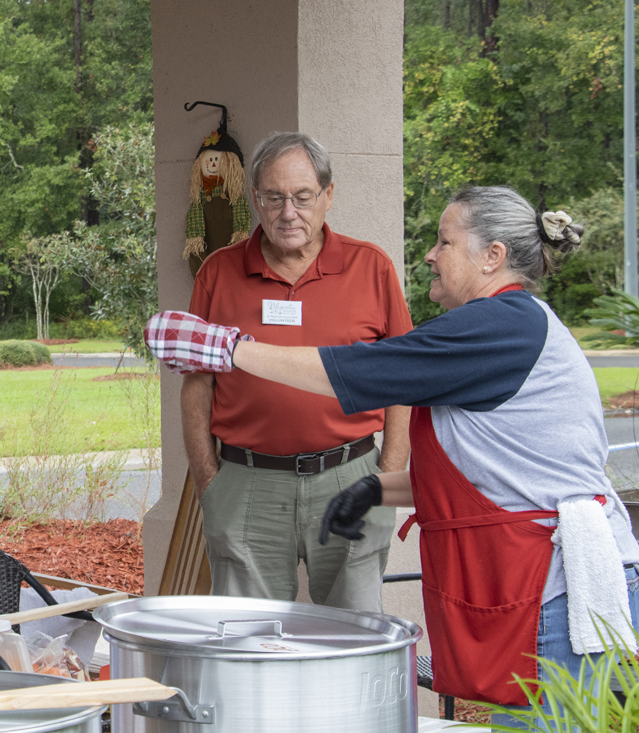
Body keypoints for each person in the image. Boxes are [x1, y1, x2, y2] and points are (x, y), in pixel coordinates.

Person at [147, 185, 639, 721]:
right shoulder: (509, 325)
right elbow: (493, 474)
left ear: (492, 256)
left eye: (445, 242)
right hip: (546, 583)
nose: (430, 254)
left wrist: (229, 348)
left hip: (559, 594)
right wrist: (376, 487)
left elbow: (362, 371)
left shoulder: (501, 327)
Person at [182, 131, 412, 612]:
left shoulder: (371, 268)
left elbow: (404, 382)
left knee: (353, 635)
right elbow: (196, 384)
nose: (289, 213)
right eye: (275, 197)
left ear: (328, 196)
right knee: (249, 642)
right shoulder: (218, 273)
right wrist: (211, 481)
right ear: (256, 199)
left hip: (351, 475)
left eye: (303, 197)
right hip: (247, 481)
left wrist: (387, 474)